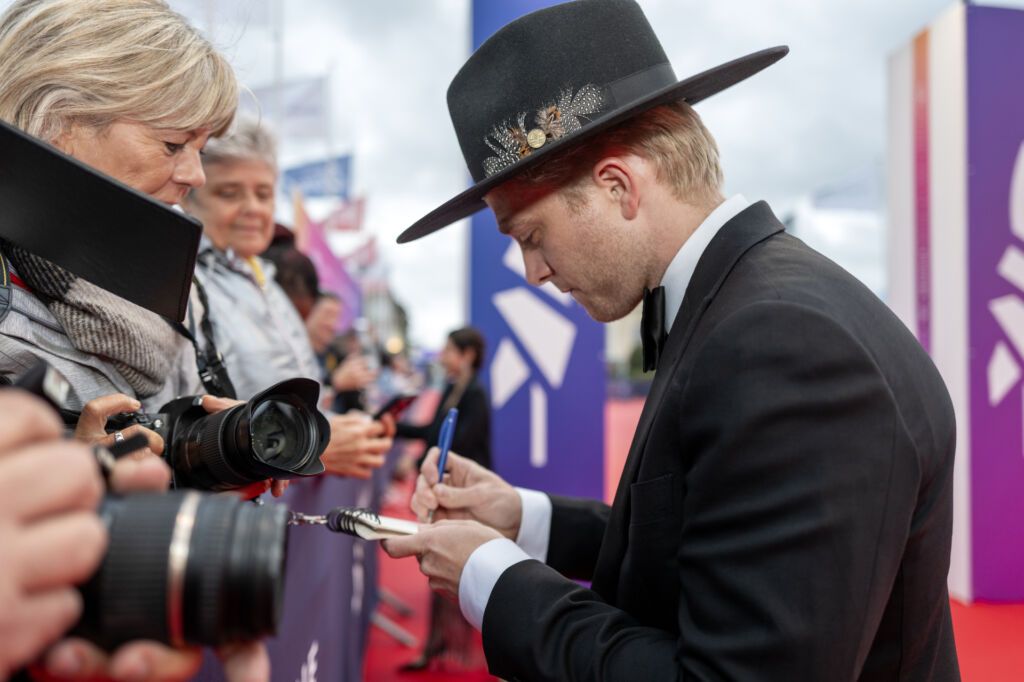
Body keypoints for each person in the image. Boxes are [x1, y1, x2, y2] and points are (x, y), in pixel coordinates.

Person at [383, 1, 961, 680]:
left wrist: (494, 578)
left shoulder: (780, 342)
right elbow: (716, 535)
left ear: (618, 186)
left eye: (532, 238)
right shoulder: (751, 307)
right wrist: (525, 519)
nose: (535, 272)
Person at [0, 1, 271, 679]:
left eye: (203, 149)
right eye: (173, 143)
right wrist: (70, 481)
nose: (197, 176)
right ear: (59, 125)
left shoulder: (180, 291)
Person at [179, 117, 392, 479]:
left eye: (263, 194)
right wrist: (314, 447)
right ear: (190, 196)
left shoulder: (267, 282)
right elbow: (187, 423)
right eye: (229, 193)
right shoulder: (184, 281)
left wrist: (338, 428)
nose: (254, 209)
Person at [395, 327, 491, 671]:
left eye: (449, 349)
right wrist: (393, 427)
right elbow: (432, 433)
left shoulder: (476, 394)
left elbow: (463, 446)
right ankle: (435, 645)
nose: (443, 355)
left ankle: (471, 653)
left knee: (465, 575)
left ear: (467, 355)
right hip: (444, 495)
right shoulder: (452, 388)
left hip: (466, 499)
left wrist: (419, 461)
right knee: (439, 570)